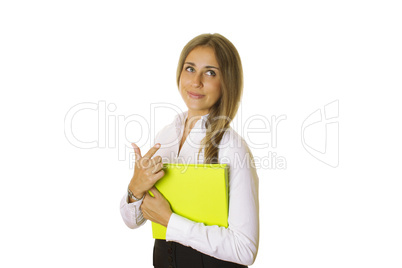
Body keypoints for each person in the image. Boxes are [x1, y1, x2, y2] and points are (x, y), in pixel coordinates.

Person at [120, 33, 259, 268]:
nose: (196, 82)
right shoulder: (166, 136)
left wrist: (169, 221)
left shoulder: (232, 147)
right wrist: (135, 189)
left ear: (227, 82)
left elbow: (245, 249)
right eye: (190, 69)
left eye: (210, 72)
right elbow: (132, 221)